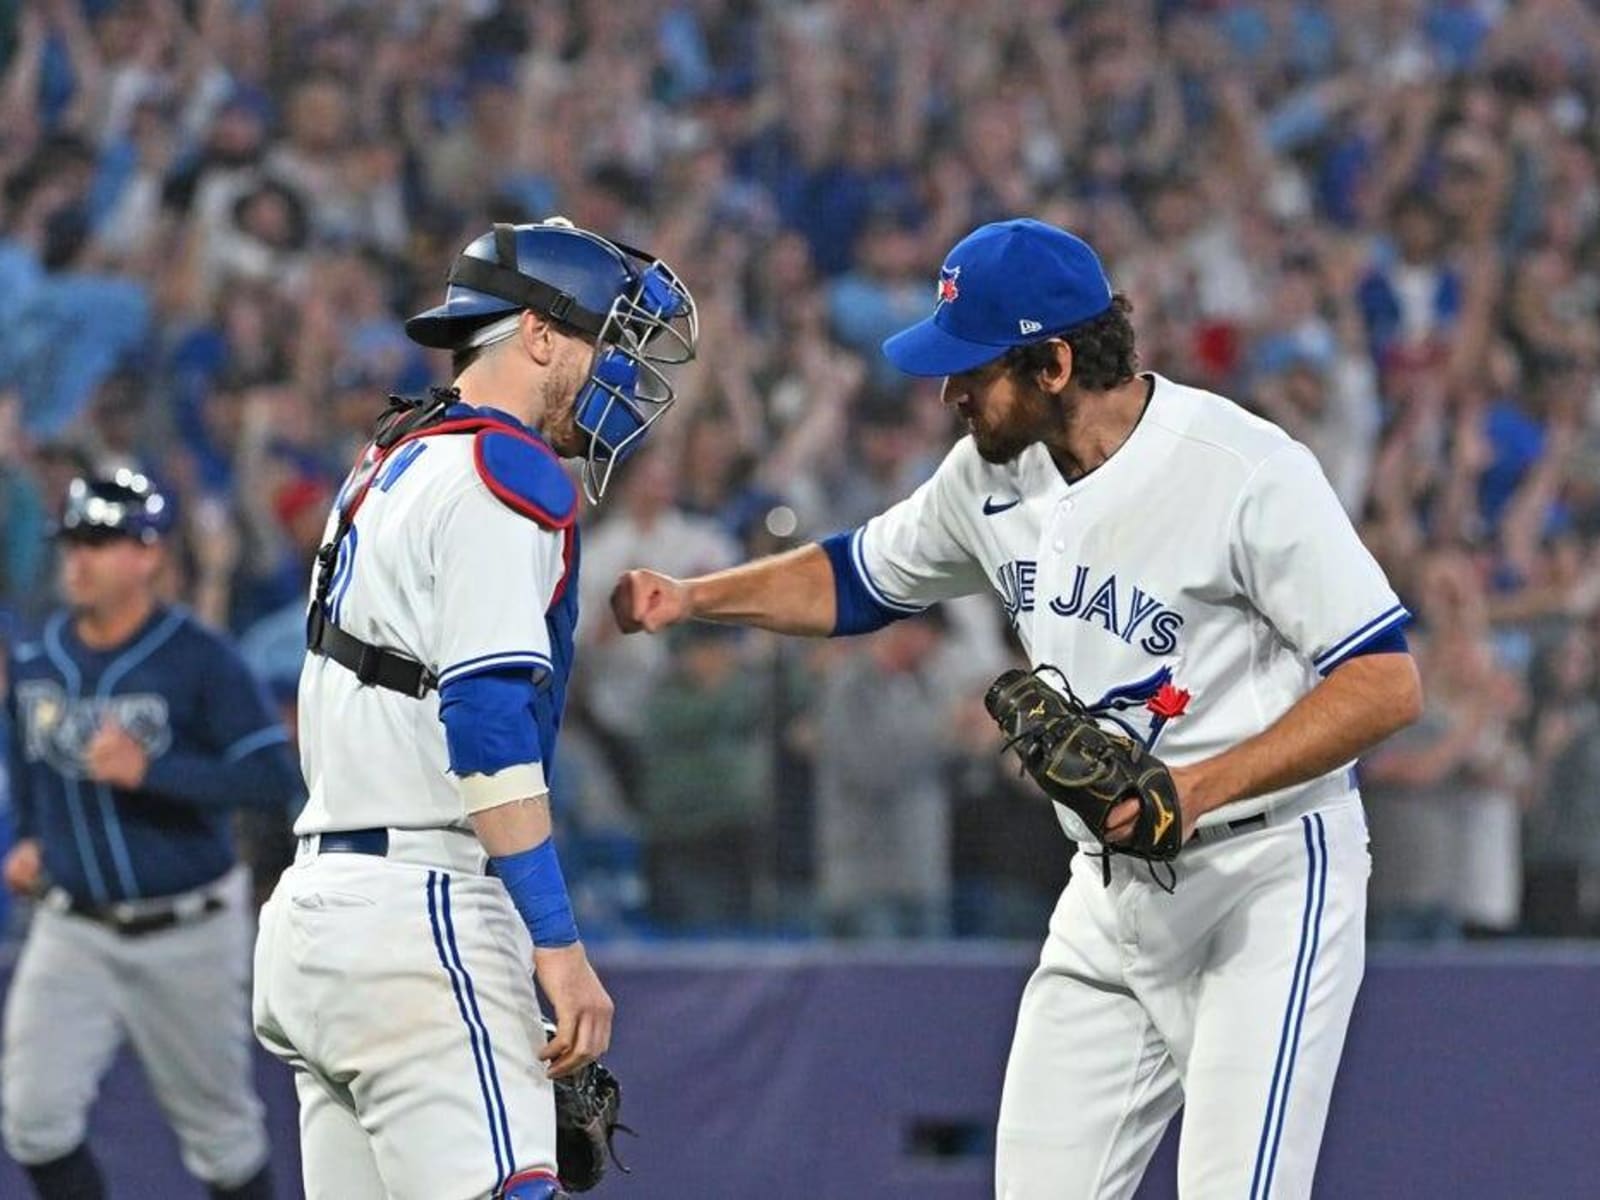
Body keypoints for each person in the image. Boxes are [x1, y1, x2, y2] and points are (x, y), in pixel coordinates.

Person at [611, 218, 1422, 1199]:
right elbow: (857, 579)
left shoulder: (1242, 469)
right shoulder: (991, 475)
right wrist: (698, 598)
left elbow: (1384, 680)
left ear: (1054, 362)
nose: (949, 392)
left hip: (1264, 879)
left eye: (974, 368)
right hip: (1108, 890)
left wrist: (1198, 785)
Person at [251, 218, 697, 1200]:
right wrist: (559, 948)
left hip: (316, 922)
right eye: (602, 340)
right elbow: (487, 728)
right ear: (537, 333)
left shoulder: (391, 460)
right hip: (421, 917)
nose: (616, 372)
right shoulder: (505, 474)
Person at [2, 471, 298, 1200]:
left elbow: (269, 779)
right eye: (73, 541)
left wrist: (153, 771)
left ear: (148, 554)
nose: (79, 559)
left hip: (187, 929)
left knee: (224, 1145)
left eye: (100, 541)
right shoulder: (39, 654)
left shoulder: (199, 657)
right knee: (33, 1121)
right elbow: (27, 757)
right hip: (72, 929)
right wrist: (31, 834)